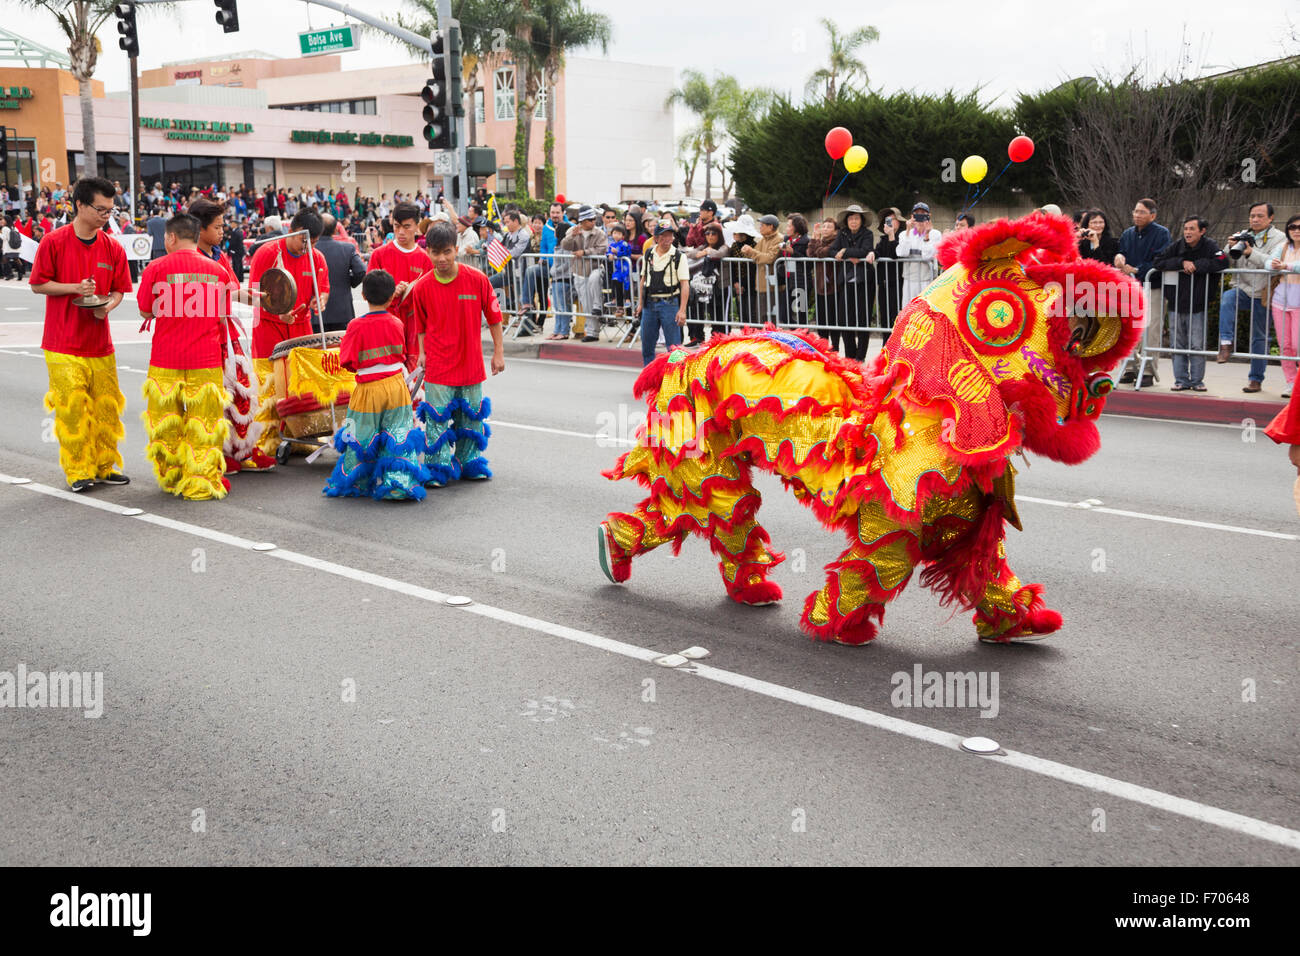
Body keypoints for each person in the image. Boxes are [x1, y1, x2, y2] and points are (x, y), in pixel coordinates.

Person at [30, 176, 133, 492]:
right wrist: (74, 288)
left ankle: (105, 465)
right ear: (80, 205)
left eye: (110, 210)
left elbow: (119, 290)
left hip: (100, 344)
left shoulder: (112, 247)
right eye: (100, 209)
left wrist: (108, 307)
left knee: (106, 407)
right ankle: (78, 471)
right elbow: (38, 284)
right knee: (72, 409)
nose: (106, 216)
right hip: (63, 344)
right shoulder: (54, 241)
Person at [135, 213, 233, 500]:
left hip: (167, 359)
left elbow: (145, 311)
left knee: (166, 423)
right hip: (206, 360)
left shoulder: (156, 267)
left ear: (171, 237)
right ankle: (200, 483)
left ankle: (173, 477)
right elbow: (223, 313)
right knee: (205, 425)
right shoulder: (218, 271)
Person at [408, 222, 505, 486]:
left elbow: (495, 317)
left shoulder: (478, 280)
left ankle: (469, 461)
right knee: (437, 419)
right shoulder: (422, 287)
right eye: (435, 252)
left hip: (471, 362)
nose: (441, 259)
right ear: (427, 251)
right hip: (439, 364)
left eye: (447, 252)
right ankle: (437, 467)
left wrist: (498, 352)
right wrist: (422, 353)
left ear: (457, 249)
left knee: (471, 416)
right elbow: (421, 326)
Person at [323, 269, 431, 500]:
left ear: (363, 295)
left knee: (360, 435)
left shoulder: (355, 325)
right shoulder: (396, 323)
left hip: (367, 388)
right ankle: (399, 483)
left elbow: (347, 360)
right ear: (392, 296)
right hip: (396, 386)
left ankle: (355, 482)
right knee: (398, 434)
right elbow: (400, 353)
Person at [190, 197, 277, 473]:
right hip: (204, 334)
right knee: (215, 395)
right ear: (199, 229)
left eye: (222, 225)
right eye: (217, 227)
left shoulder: (220, 255)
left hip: (228, 332)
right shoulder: (191, 258)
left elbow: (232, 290)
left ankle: (242, 449)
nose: (222, 231)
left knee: (241, 389)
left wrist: (254, 298)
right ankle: (218, 451)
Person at [246, 207, 330, 460]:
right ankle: (266, 443)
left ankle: (302, 437)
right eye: (304, 241)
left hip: (301, 329)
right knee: (269, 388)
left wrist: (320, 300)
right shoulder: (267, 253)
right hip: (269, 328)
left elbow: (323, 289)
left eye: (313, 243)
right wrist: (278, 311)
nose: (308, 248)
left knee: (301, 387)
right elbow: (252, 294)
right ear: (292, 230)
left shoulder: (317, 258)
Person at [1152, 216, 1227, 393]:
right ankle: (1181, 380)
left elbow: (1223, 261)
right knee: (1177, 344)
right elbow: (1158, 261)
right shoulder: (1177, 246)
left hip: (1198, 305)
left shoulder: (1210, 246)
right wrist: (1180, 262)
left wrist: (1198, 265)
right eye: (1185, 228)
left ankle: (1197, 381)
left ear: (1202, 231)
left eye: (1192, 229)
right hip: (1176, 304)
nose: (1187, 232)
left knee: (1196, 344)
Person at [1217, 201, 1286, 393]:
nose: (1255, 219)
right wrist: (1230, 246)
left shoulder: (1280, 238)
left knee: (1260, 337)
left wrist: (1250, 252)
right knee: (1228, 299)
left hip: (1264, 293)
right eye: (1252, 216)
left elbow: (1271, 263)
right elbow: (1224, 257)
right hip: (1243, 289)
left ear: (1271, 218)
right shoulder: (1243, 234)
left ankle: (1255, 379)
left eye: (1260, 216)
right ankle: (1225, 344)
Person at [365, 202, 429, 368]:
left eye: (407, 226)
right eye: (397, 226)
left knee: (415, 387)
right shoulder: (379, 255)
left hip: (415, 330)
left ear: (417, 226)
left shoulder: (425, 259)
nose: (401, 232)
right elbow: (369, 294)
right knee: (388, 379)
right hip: (385, 328)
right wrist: (390, 293)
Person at [1114, 198, 1171, 386]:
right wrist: (1119, 258)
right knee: (1128, 328)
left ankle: (1148, 370)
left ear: (1152, 215)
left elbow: (1160, 260)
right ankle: (1129, 368)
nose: (1137, 215)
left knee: (1151, 329)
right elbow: (1121, 252)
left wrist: (1136, 269)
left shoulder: (1162, 234)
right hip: (1130, 288)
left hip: (1153, 287)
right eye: (1135, 211)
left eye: (1142, 212)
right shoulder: (1127, 234)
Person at [635, 221, 689, 366]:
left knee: (674, 349)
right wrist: (640, 304)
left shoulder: (679, 256)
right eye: (663, 236)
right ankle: (650, 381)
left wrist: (682, 310)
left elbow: (685, 284)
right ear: (656, 238)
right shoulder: (649, 254)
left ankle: (675, 383)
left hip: (670, 304)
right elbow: (643, 280)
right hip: (649, 304)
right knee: (647, 347)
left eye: (670, 235)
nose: (667, 239)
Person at [831, 204, 877, 360]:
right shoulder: (842, 233)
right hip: (846, 279)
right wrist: (847, 254)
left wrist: (845, 252)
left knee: (863, 318)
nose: (853, 221)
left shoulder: (868, 233)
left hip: (864, 281)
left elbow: (865, 250)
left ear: (861, 220)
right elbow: (832, 251)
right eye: (851, 218)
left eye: (856, 218)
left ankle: (860, 356)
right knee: (844, 319)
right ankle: (850, 354)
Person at [561, 206, 609, 342]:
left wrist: (585, 252)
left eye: (594, 219)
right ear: (582, 221)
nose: (593, 221)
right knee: (586, 303)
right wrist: (572, 237)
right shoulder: (573, 230)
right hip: (579, 271)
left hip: (596, 268)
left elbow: (602, 249)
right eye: (590, 219)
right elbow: (565, 245)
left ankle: (598, 306)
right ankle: (593, 332)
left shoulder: (599, 233)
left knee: (595, 280)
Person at [316, 213, 366, 332]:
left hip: (317, 311)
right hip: (342, 310)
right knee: (341, 349)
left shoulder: (310, 248)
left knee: (315, 350)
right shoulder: (347, 248)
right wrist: (348, 281)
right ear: (335, 229)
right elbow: (361, 270)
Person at [1268, 214, 1300, 399]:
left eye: (1299, 227)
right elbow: (1268, 263)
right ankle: (1291, 383)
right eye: (1292, 227)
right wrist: (1273, 265)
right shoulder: (1282, 247)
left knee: (1297, 344)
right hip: (1280, 301)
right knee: (1285, 346)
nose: (1296, 230)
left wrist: (1285, 265)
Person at [684, 221, 727, 343]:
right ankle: (696, 337)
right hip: (701, 286)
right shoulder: (703, 246)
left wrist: (707, 252)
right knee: (697, 310)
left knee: (717, 313)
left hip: (718, 285)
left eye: (714, 233)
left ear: (719, 235)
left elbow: (720, 253)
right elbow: (690, 253)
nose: (710, 236)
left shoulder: (723, 246)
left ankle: (718, 338)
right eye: (707, 233)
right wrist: (701, 252)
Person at [741, 214, 784, 325]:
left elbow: (769, 258)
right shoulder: (762, 240)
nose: (760, 227)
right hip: (760, 285)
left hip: (773, 286)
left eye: (762, 225)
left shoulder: (779, 239)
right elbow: (755, 255)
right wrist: (747, 251)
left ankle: (772, 341)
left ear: (771, 227)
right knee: (761, 318)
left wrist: (751, 252)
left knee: (772, 319)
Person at [895, 202, 940, 309]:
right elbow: (901, 253)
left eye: (923, 214)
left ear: (929, 216)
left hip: (927, 280)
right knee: (908, 310)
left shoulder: (936, 234)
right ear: (912, 217)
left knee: (925, 311)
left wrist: (927, 235)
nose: (920, 217)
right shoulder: (904, 234)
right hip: (909, 280)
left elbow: (927, 256)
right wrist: (907, 230)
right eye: (917, 214)